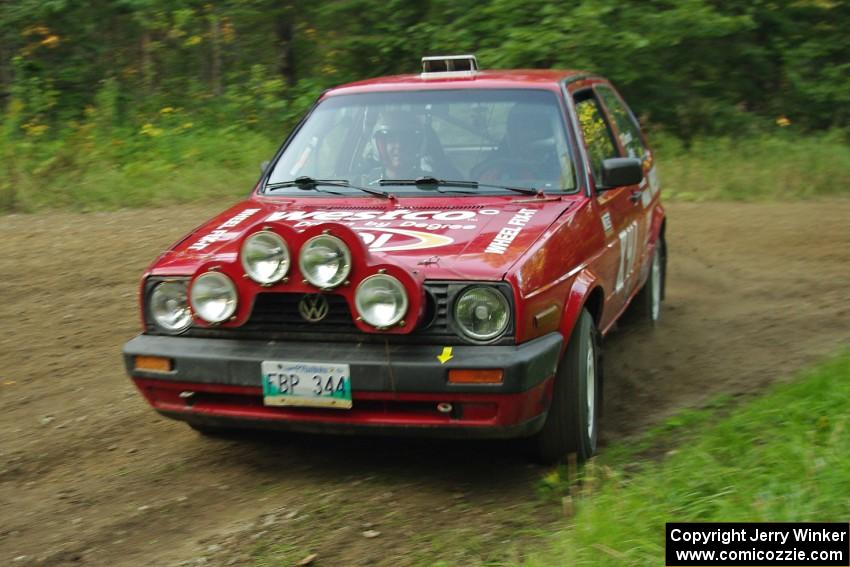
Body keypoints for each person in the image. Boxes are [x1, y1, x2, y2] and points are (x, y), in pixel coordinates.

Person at [371, 110, 433, 180]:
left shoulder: (431, 185)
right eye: (391, 140)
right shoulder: (363, 184)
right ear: (379, 146)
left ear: (418, 146)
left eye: (405, 140)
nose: (399, 146)